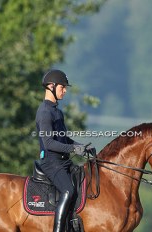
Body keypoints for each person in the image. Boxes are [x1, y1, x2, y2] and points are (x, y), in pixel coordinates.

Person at [35, 69, 95, 232]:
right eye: (63, 87)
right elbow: (48, 143)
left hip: (64, 161)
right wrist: (73, 148)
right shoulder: (44, 112)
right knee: (68, 190)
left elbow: (63, 139)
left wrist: (82, 146)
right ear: (51, 86)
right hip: (51, 163)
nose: (65, 90)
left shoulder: (57, 111)